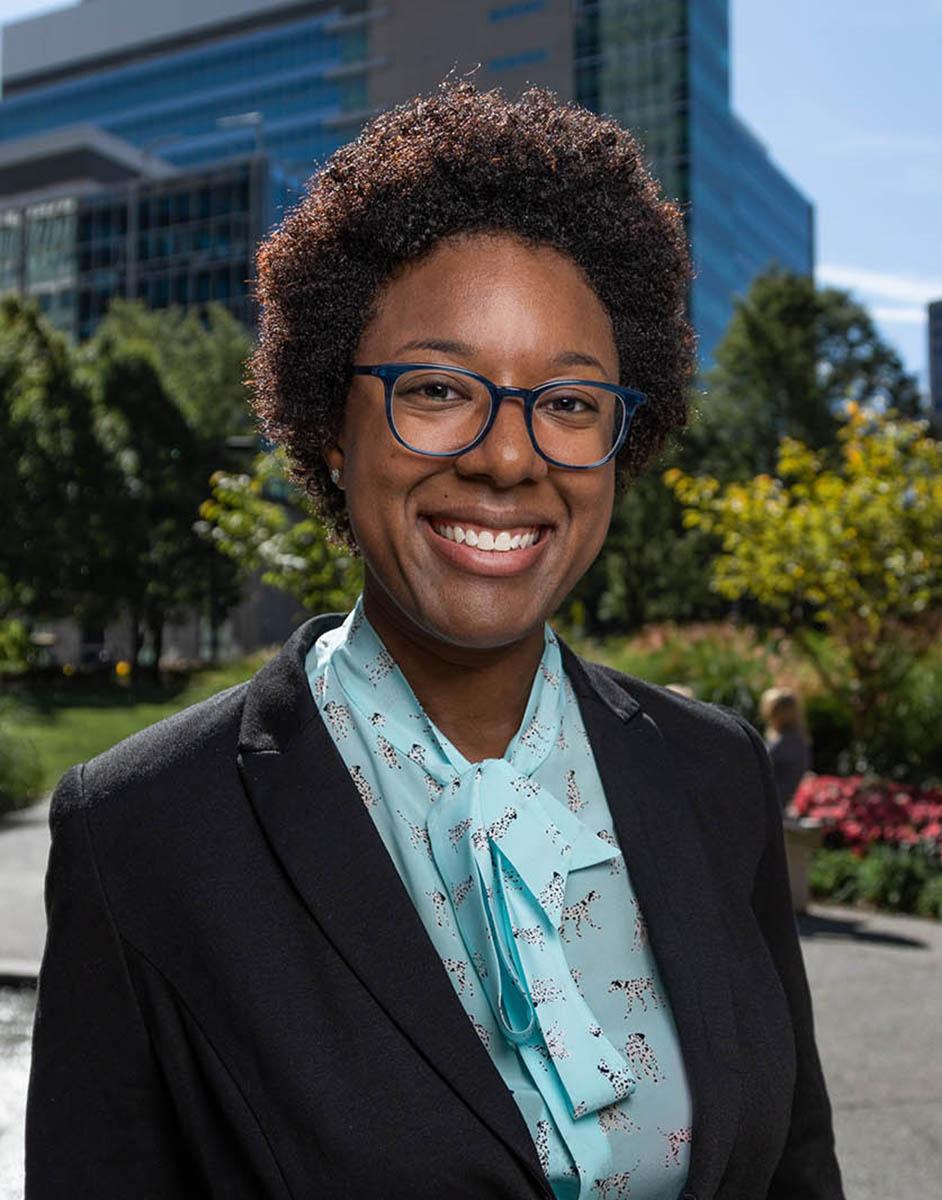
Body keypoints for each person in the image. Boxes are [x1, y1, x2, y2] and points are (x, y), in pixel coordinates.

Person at [25, 84, 844, 1200]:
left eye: (568, 401)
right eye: (439, 388)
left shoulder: (715, 774)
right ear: (327, 421)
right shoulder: (143, 832)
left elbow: (794, 1169)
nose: (510, 459)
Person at [760, 687, 814, 812]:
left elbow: (759, 768)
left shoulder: (782, 743)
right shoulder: (800, 738)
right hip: (786, 801)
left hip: (775, 804)